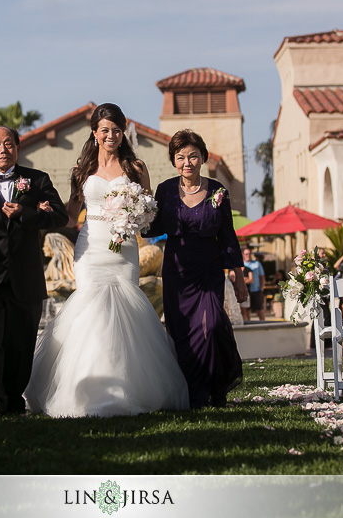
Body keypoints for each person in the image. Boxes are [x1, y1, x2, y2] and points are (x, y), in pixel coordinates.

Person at [24, 104, 188, 417]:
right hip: (91, 247)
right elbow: (71, 216)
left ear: (123, 132)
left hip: (125, 249)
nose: (111, 135)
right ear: (95, 133)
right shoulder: (81, 170)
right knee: (92, 311)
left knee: (126, 310)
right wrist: (45, 213)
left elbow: (149, 213)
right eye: (105, 130)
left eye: (116, 130)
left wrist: (136, 216)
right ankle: (89, 390)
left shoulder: (136, 167)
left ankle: (131, 388)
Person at [0, 125, 68, 419]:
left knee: (21, 342)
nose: (2, 149)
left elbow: (60, 216)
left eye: (8, 144)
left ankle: (15, 398)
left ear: (18, 149)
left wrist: (26, 213)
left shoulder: (37, 180)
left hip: (26, 277)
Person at [145, 129, 246, 409]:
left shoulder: (217, 191)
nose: (187, 162)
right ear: (173, 161)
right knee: (183, 332)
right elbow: (152, 228)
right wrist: (134, 212)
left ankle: (216, 387)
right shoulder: (165, 190)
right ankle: (194, 395)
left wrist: (238, 277)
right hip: (177, 269)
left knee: (212, 326)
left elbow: (228, 235)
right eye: (180, 157)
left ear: (203, 158)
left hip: (209, 268)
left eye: (193, 156)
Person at [242, 247, 266, 320]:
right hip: (246, 290)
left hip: (256, 289)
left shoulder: (257, 264)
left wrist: (261, 288)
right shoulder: (241, 265)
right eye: (246, 254)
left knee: (259, 310)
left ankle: (264, 325)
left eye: (249, 254)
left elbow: (262, 276)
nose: (248, 255)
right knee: (246, 310)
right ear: (243, 255)